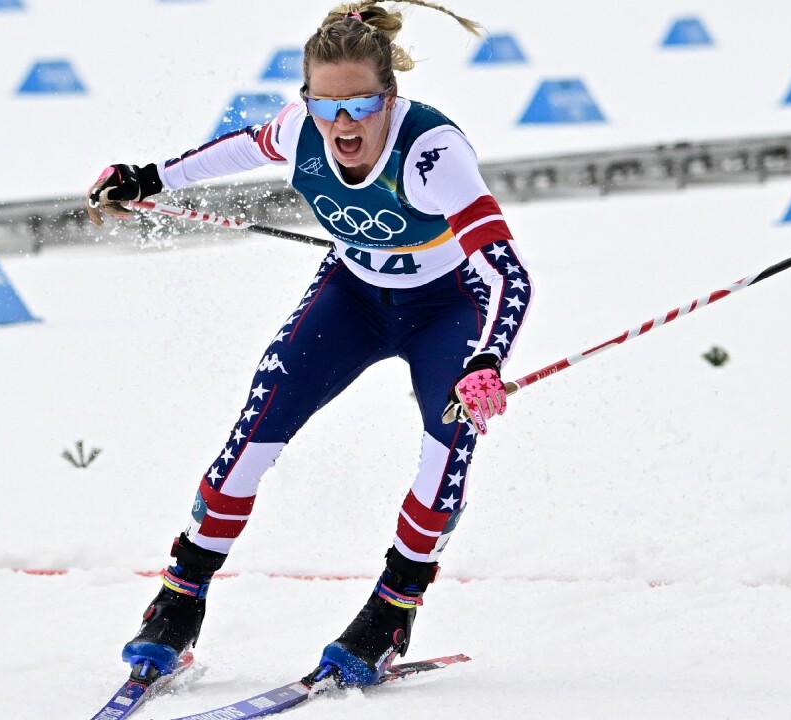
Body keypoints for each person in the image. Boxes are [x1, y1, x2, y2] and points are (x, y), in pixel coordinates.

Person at [85, 0, 532, 687]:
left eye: (359, 105)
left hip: (446, 307)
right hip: (352, 296)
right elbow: (234, 149)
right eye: (326, 108)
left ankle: (390, 612)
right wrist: (149, 179)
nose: (342, 125)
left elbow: (509, 274)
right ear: (307, 102)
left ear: (390, 96)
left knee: (445, 453)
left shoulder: (432, 153)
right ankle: (178, 602)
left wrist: (487, 357)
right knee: (252, 437)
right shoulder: (300, 130)